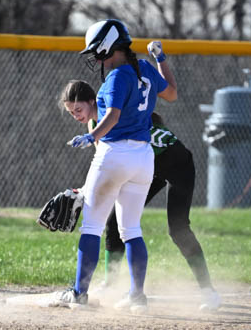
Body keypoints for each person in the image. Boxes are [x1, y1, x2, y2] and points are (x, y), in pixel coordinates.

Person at [59, 81, 221, 311]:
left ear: (93, 101)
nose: (76, 115)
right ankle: (111, 284)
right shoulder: (95, 124)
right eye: (71, 112)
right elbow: (108, 166)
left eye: (78, 109)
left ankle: (208, 292)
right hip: (147, 168)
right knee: (115, 221)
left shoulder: (113, 115)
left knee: (178, 229)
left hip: (177, 164)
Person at [57, 19, 176, 312]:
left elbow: (112, 115)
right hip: (143, 158)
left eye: (96, 51)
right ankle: (137, 297)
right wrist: (161, 58)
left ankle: (79, 294)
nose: (95, 58)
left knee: (92, 226)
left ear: (108, 47)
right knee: (131, 229)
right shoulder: (146, 68)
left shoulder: (116, 77)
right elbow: (172, 93)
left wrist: (91, 136)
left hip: (115, 153)